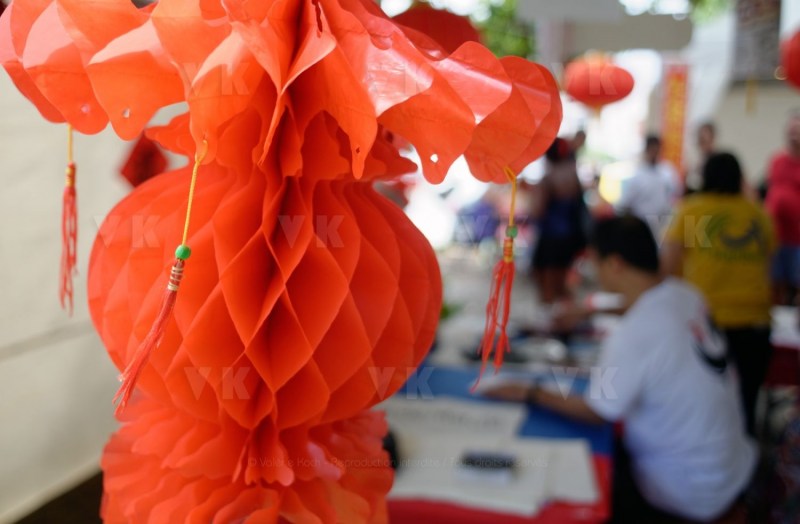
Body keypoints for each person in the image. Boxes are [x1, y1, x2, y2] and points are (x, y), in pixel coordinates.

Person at [486, 216, 756, 523]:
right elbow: (646, 307)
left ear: (614, 264)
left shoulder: (633, 334)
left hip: (687, 492)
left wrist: (528, 391)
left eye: (594, 262)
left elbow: (598, 410)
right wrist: (589, 310)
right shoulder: (686, 294)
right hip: (730, 469)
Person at [661, 152, 775, 437]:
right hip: (756, 324)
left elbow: (669, 266)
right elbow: (769, 268)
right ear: (740, 179)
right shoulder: (759, 216)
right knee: (747, 401)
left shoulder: (693, 211)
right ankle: (744, 465)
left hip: (709, 325)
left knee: (705, 403)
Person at [530, 137, 588, 304]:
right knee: (564, 280)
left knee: (547, 280)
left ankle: (552, 319)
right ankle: (566, 315)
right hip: (571, 237)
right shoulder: (573, 176)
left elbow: (537, 211)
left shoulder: (547, 179)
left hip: (550, 237)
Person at [765, 112, 800, 305]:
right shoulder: (777, 160)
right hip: (776, 236)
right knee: (775, 284)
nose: (793, 134)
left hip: (797, 238)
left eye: (797, 130)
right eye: (791, 130)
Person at [616, 135, 679, 240]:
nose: (654, 153)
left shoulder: (668, 172)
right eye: (652, 150)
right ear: (646, 150)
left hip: (662, 227)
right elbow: (624, 205)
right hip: (641, 228)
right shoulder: (637, 176)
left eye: (657, 150)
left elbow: (675, 194)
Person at [685, 122, 717, 194]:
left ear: (712, 137)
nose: (700, 139)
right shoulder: (695, 161)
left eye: (704, 139)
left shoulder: (719, 161)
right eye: (700, 138)